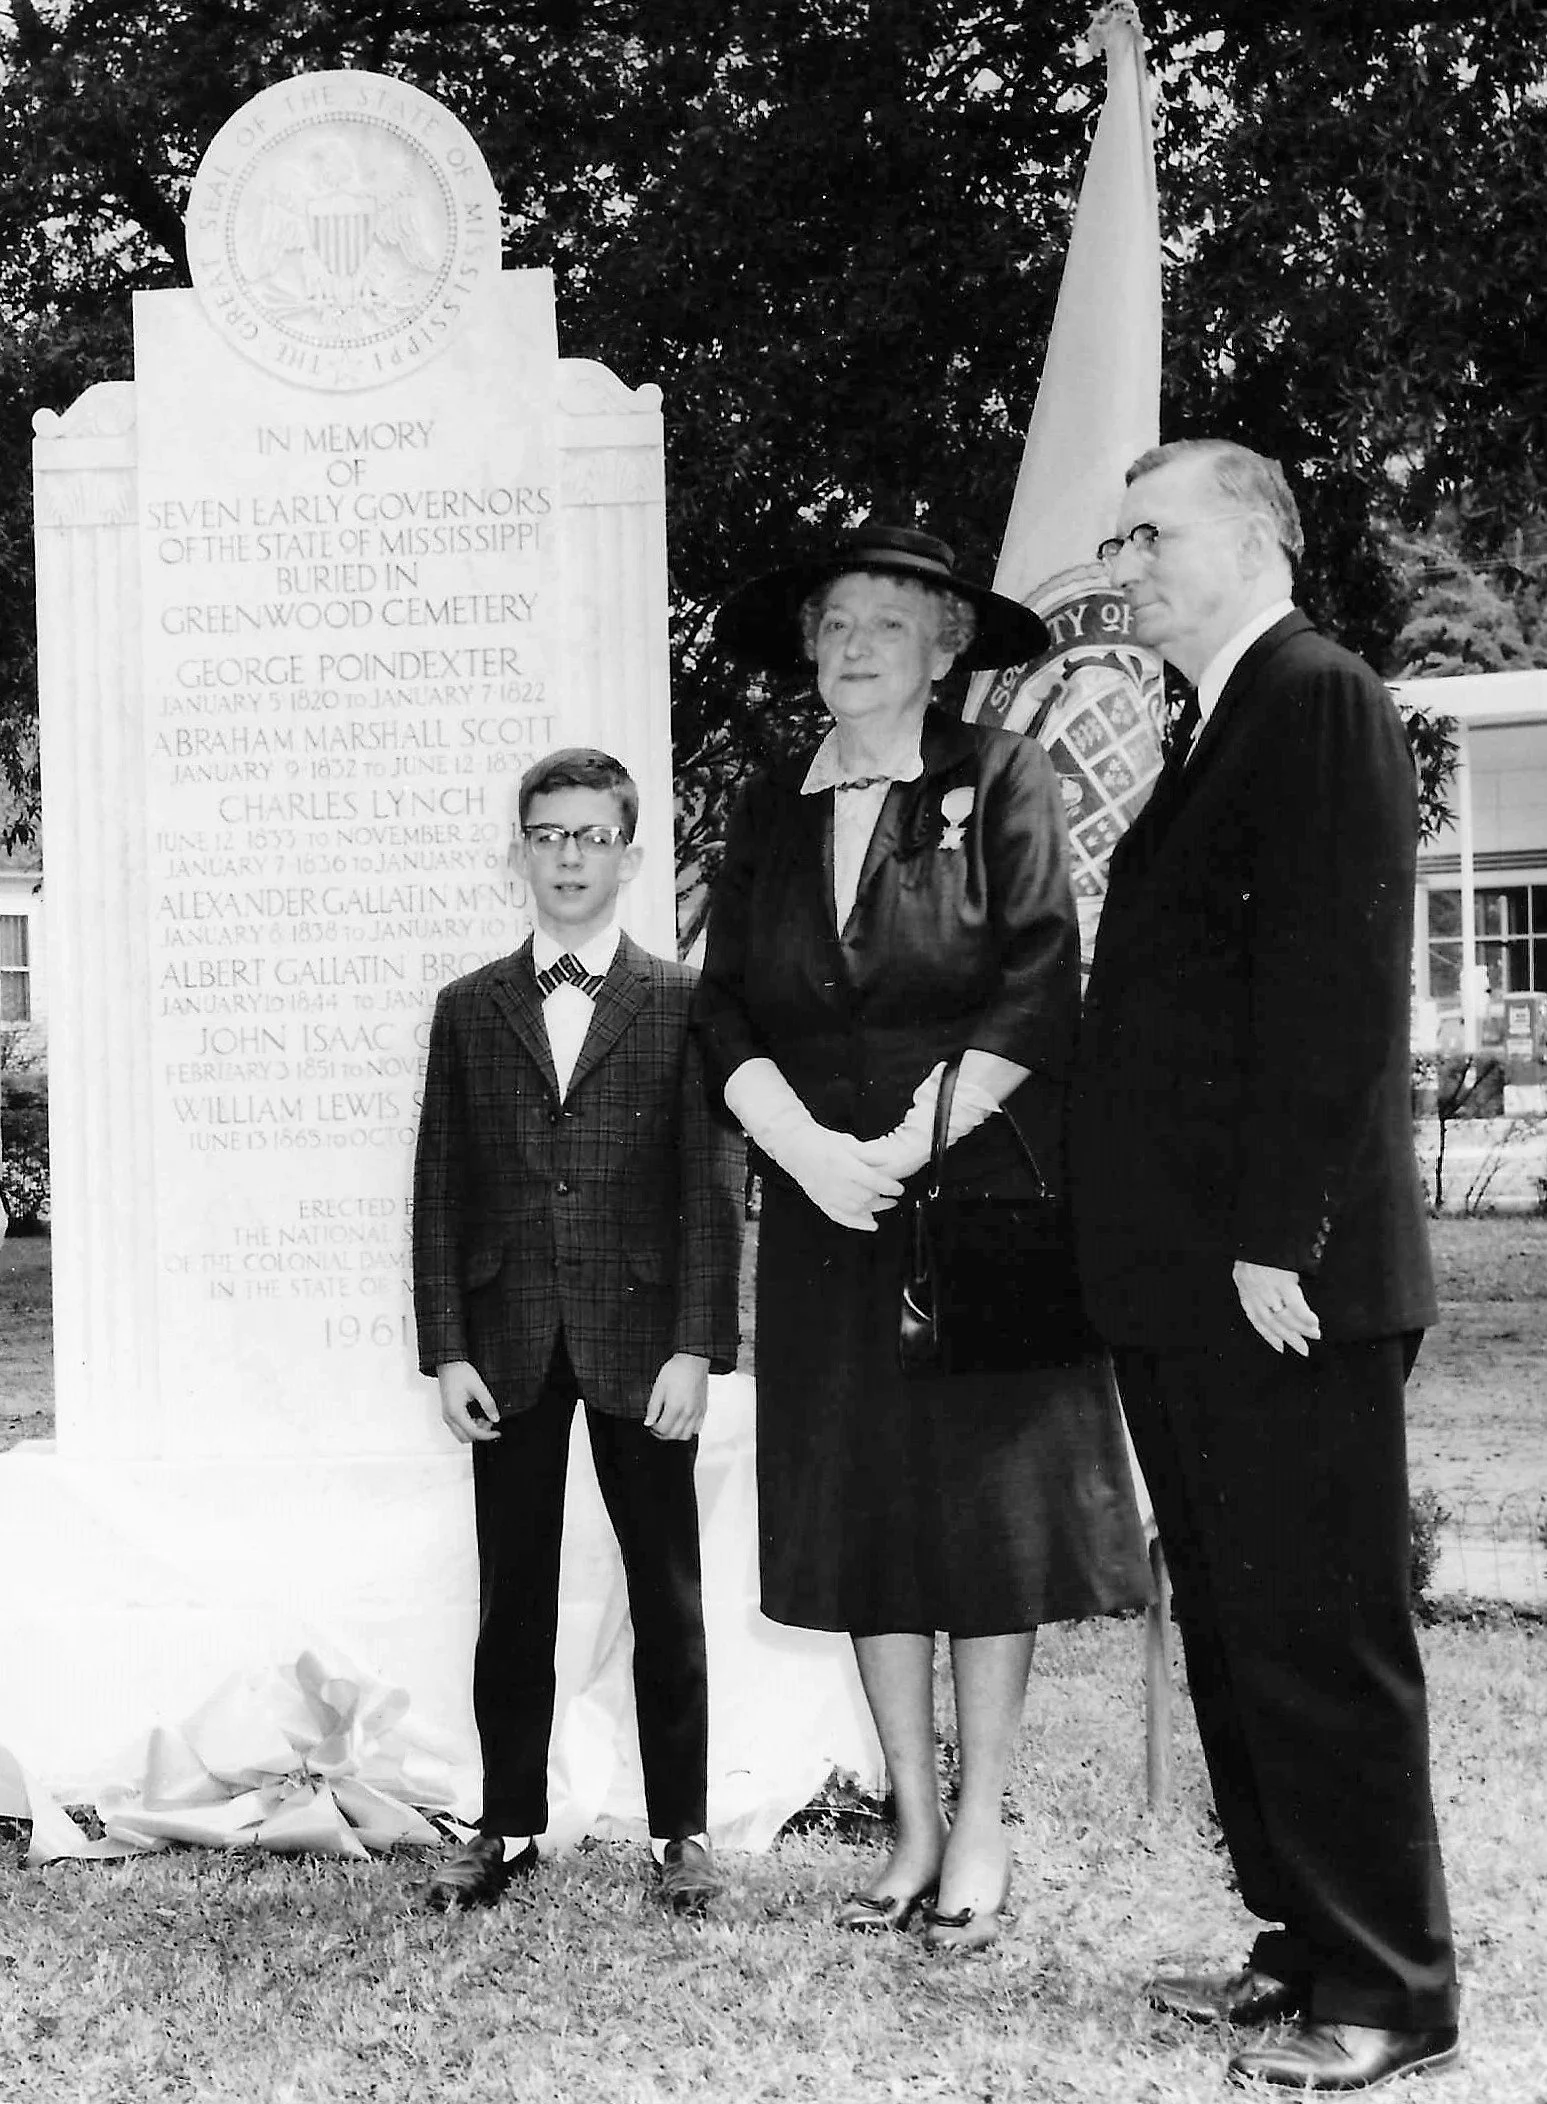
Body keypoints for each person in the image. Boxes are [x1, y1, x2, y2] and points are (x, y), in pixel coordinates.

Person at [696, 520, 1151, 1953]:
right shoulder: (770, 802)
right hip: (826, 1211)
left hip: (974, 1197)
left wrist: (894, 1151)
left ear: (944, 652)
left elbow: (1033, 983)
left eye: (886, 627)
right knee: (867, 1516)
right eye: (833, 624)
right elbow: (724, 1009)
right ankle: (903, 1822)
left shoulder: (997, 776)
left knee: (982, 1523)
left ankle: (979, 1825)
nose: (851, 649)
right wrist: (806, 1155)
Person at [1069, 441, 1459, 2091]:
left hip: (1274, 1278)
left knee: (1314, 1621)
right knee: (1235, 1619)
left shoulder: (1316, 695)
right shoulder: (1221, 720)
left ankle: (1387, 1984)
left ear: (1254, 535)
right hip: (1190, 1282)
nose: (1123, 557)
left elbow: (1330, 986)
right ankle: (1299, 1939)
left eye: (1149, 530)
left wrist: (1269, 1234)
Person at [412, 747, 744, 1916]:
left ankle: (681, 1833)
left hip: (640, 1341)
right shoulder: (469, 1009)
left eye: (590, 836)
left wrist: (698, 1344)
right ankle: (505, 1825)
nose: (567, 855)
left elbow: (711, 1184)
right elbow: (439, 1188)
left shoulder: (685, 1004)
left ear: (629, 855)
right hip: (505, 1347)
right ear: (517, 853)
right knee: (514, 1596)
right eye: (547, 834)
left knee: (666, 1590)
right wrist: (446, 1346)